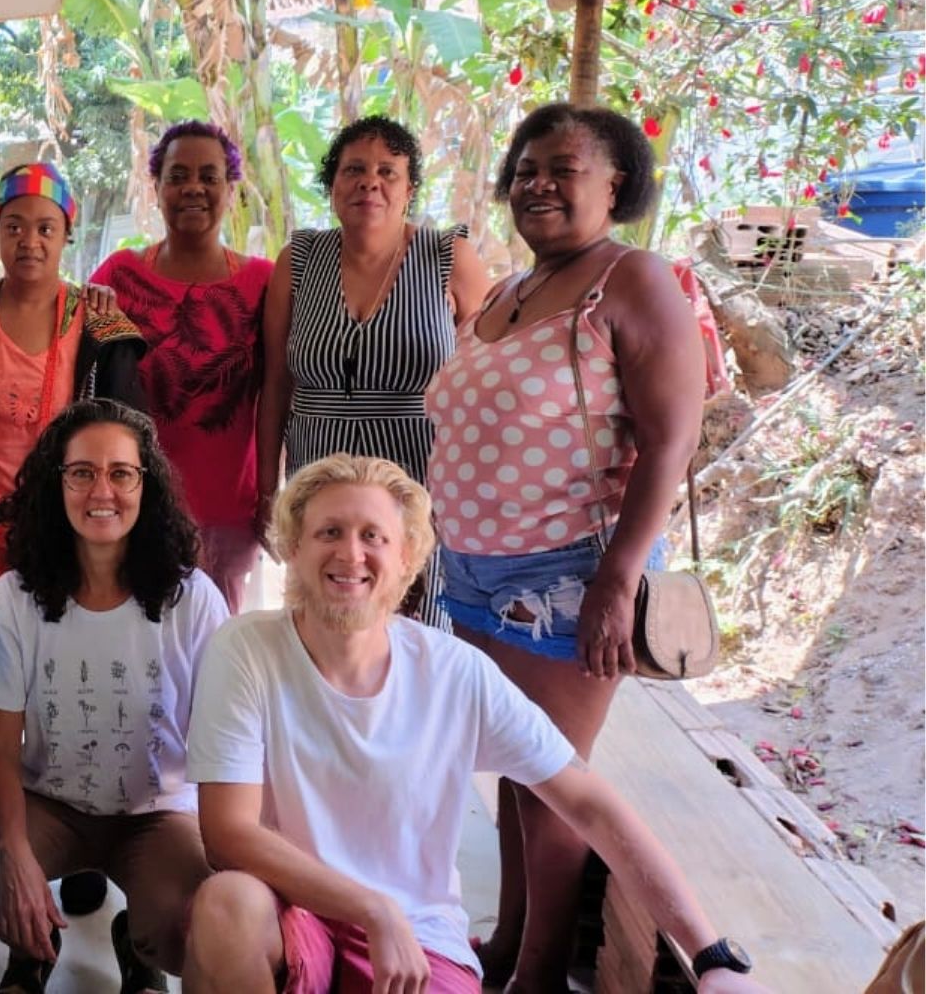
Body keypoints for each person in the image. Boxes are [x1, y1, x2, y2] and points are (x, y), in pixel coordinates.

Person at [182, 455, 764, 994]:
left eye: (373, 536)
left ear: (407, 556)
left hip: (418, 936)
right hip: (298, 914)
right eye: (329, 532)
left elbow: (589, 804)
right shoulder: (247, 649)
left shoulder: (454, 673)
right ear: (293, 547)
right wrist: (372, 908)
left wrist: (710, 953)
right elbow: (229, 833)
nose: (350, 555)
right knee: (227, 905)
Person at [422, 103, 707, 992]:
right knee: (517, 772)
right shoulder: (509, 289)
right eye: (526, 170)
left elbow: (671, 441)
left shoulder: (633, 281)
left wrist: (617, 581)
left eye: (563, 169)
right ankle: (510, 941)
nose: (537, 184)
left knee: (551, 783)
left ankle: (537, 974)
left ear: (615, 185)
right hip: (474, 573)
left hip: (566, 576)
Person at [0, 398, 225, 994]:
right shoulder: (15, 599)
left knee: (192, 923)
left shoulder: (192, 599)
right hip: (51, 805)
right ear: (56, 482)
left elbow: (224, 740)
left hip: (156, 814)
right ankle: (32, 950)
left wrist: (226, 842)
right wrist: (16, 856)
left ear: (147, 484)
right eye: (81, 472)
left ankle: (139, 948)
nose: (102, 491)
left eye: (121, 473)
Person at [253, 116, 487, 625]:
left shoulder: (448, 256)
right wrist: (267, 489)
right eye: (354, 169)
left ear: (409, 190)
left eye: (387, 172)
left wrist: (474, 491)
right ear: (332, 185)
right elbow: (275, 383)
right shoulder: (299, 260)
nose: (369, 182)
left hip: (419, 469)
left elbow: (483, 382)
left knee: (416, 612)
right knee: (324, 610)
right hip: (316, 466)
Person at [0, 162, 147, 583]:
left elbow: (131, 441)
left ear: (66, 235)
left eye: (45, 228)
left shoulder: (100, 329)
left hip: (72, 524)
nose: (29, 242)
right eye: (14, 227)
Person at [89, 120, 271, 612]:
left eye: (209, 176)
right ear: (157, 187)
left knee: (220, 643)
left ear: (231, 189)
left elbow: (279, 390)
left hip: (228, 512)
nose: (193, 188)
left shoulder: (263, 282)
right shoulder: (118, 275)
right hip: (133, 506)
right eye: (178, 176)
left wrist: (270, 495)